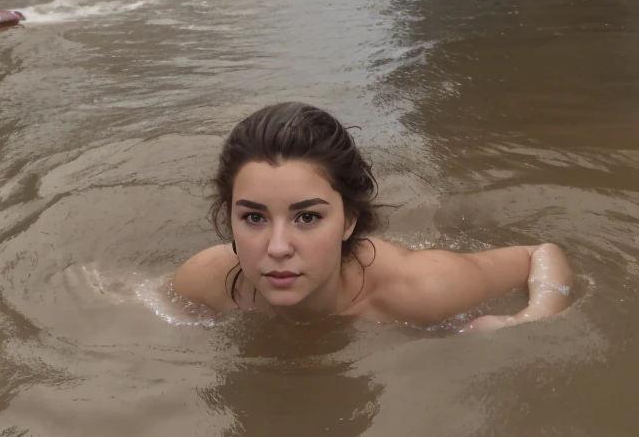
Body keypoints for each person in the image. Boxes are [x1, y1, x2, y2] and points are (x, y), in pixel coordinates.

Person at [171, 103, 573, 329]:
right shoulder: (207, 280)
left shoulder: (422, 287)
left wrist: (530, 318)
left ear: (349, 220)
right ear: (230, 220)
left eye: (307, 218)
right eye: (254, 218)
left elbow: (538, 253)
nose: (277, 248)